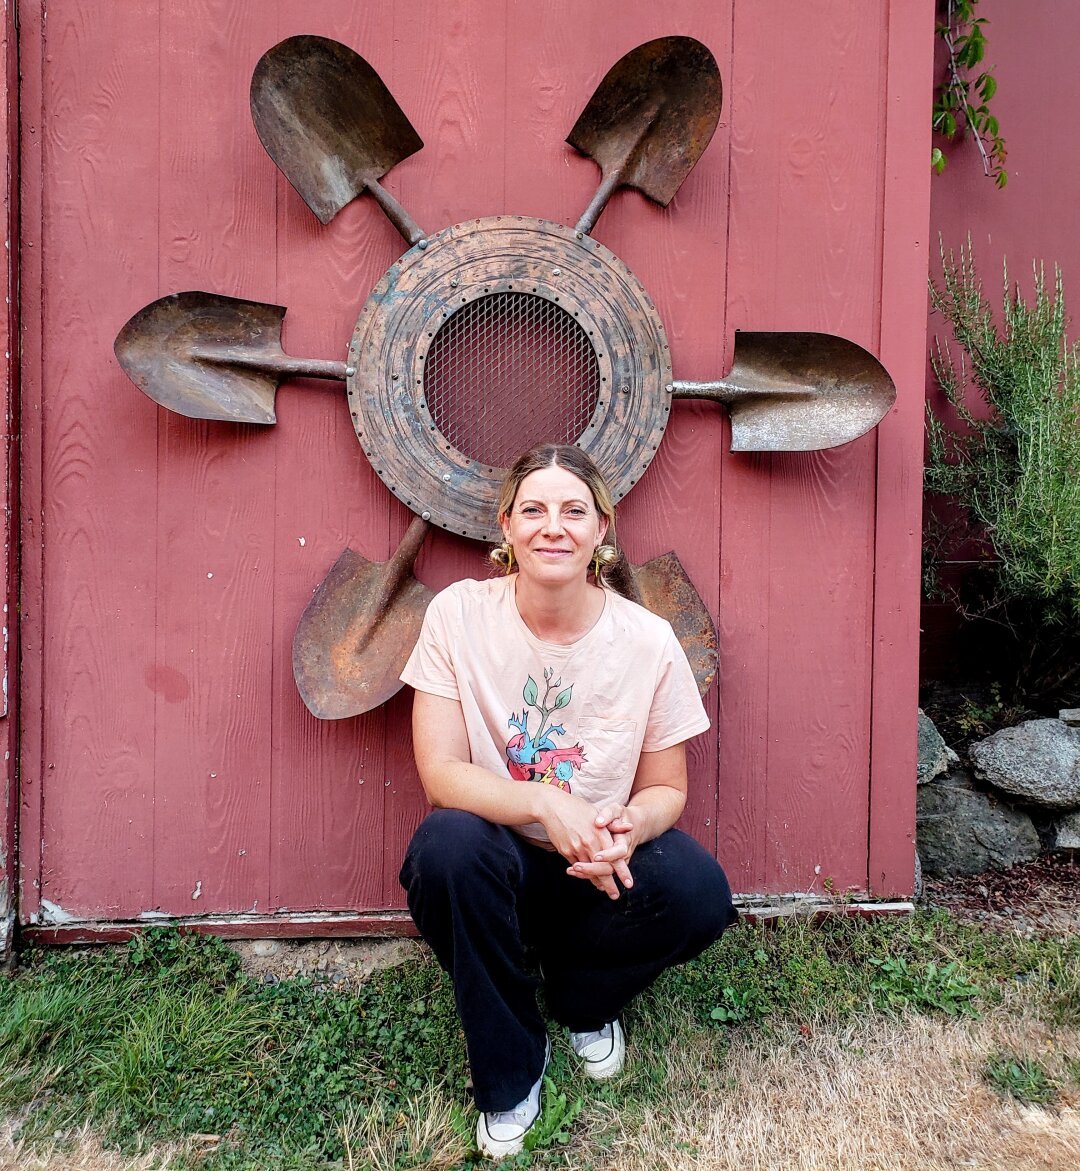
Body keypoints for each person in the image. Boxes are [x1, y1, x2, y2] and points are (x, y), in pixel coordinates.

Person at [398, 442, 737, 1159]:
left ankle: (584, 999)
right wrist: (544, 803)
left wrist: (629, 825)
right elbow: (440, 773)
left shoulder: (647, 641)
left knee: (700, 892)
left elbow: (666, 788)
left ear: (602, 529)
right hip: (499, 865)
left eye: (574, 510)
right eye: (535, 510)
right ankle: (512, 1065)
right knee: (445, 847)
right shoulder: (458, 615)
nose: (554, 526)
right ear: (507, 527)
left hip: (596, 873)